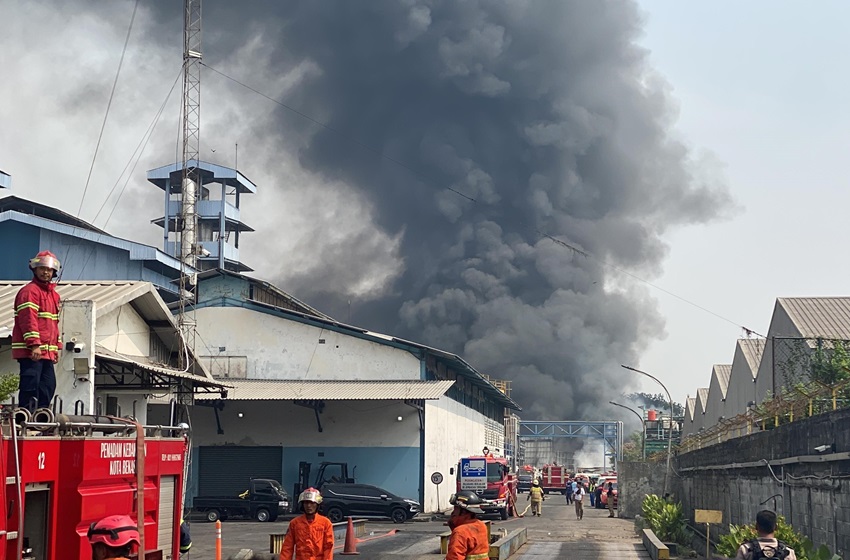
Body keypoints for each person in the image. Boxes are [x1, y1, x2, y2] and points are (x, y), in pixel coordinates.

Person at [13, 251, 61, 412]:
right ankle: (25, 419)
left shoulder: (54, 295)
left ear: (54, 272)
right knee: (30, 386)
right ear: (34, 269)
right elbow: (28, 320)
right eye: (42, 268)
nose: (45, 272)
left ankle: (40, 419)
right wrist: (34, 345)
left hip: (46, 352)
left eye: (49, 269)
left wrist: (56, 348)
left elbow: (53, 323)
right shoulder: (29, 292)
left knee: (48, 386)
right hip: (31, 352)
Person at [280, 487, 334, 560]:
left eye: (312, 503)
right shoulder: (295, 523)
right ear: (302, 504)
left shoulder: (325, 523)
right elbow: (287, 547)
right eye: (306, 502)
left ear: (317, 504)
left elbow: (328, 547)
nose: (309, 506)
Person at [446, 490, 489, 560]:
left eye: (456, 509)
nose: (453, 513)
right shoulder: (482, 526)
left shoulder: (460, 532)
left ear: (463, 512)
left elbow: (455, 557)